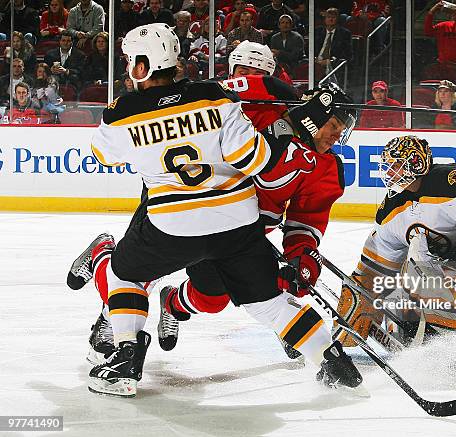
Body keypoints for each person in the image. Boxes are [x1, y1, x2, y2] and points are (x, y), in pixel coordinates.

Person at [66, 23, 362, 397]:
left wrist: (301, 255)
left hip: (179, 214)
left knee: (133, 272)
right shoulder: (220, 100)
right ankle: (332, 359)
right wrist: (281, 130)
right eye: (243, 72)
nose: (247, 79)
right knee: (268, 303)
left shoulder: (124, 111)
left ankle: (128, 348)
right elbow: (255, 157)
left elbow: (103, 154)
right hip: (235, 218)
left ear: (140, 67)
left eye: (257, 74)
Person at [335, 135, 456, 367]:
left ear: (416, 164)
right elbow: (373, 268)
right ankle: (439, 327)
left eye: (396, 165)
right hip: (437, 275)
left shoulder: (454, 181)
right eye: (388, 166)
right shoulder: (389, 211)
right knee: (411, 272)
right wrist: (359, 297)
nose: (389, 172)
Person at [314, 8, 353, 77]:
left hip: (333, 63)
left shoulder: (344, 33)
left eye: (333, 17)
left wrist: (330, 61)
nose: (330, 19)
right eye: (328, 17)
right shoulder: (317, 31)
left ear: (337, 19)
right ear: (325, 19)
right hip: (316, 61)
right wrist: (314, 58)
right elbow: (310, 48)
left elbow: (347, 53)